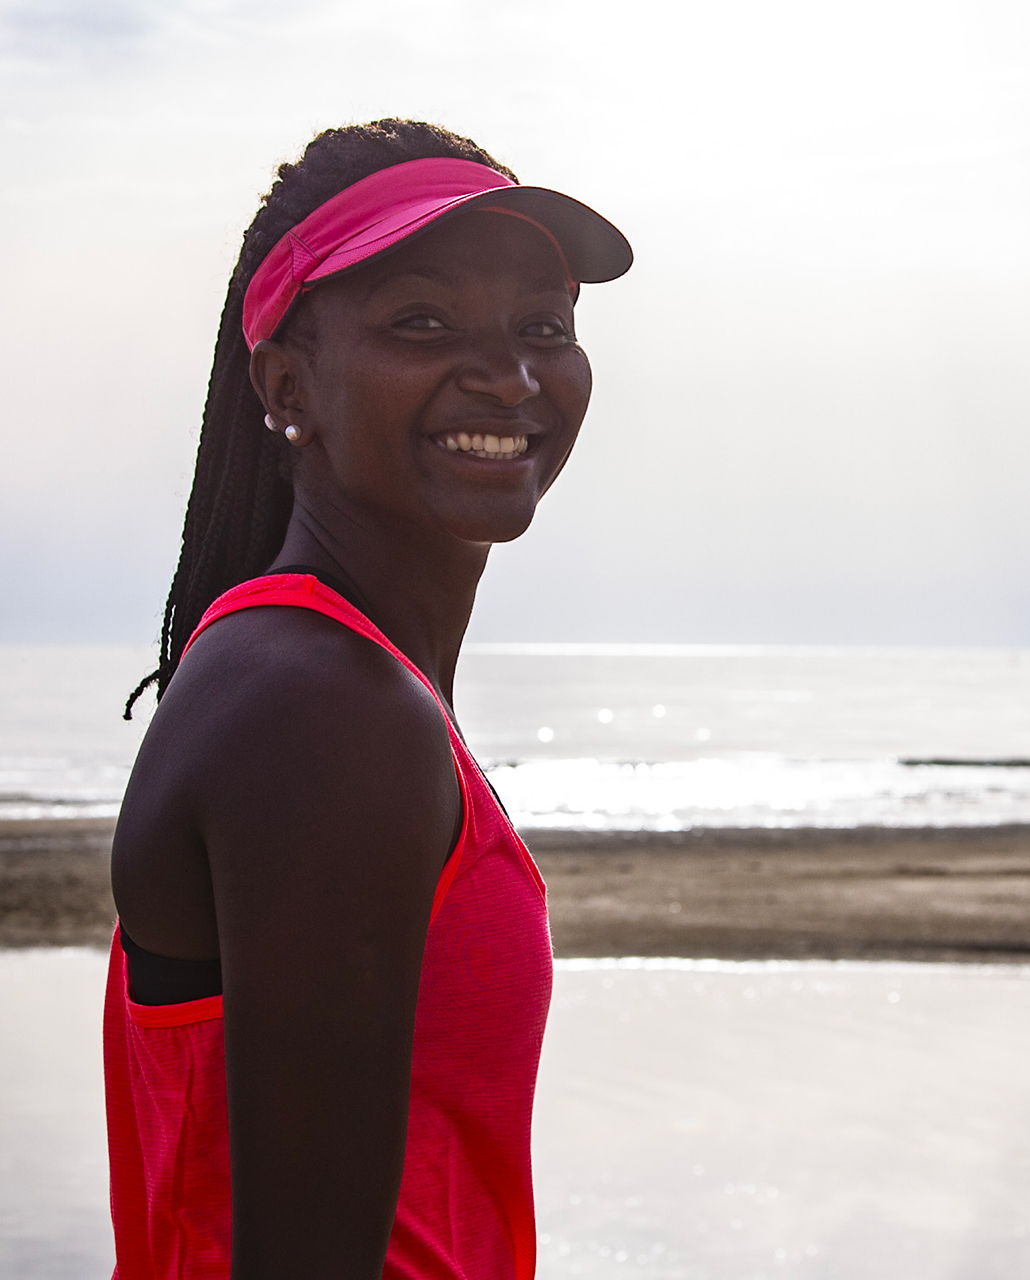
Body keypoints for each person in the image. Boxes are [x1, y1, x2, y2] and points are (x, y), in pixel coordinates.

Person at [104, 120, 632, 1280]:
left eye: (543, 324)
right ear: (288, 382)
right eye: (423, 321)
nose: (511, 371)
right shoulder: (322, 708)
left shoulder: (323, 679)